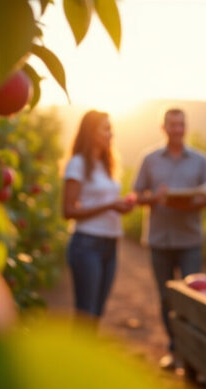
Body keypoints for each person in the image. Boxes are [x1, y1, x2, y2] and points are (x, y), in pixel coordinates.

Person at [133, 108, 206, 369]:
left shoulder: (201, 160)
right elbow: (137, 195)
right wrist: (154, 198)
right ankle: (175, 349)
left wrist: (191, 202)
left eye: (181, 124)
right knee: (165, 298)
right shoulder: (149, 159)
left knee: (192, 299)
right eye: (172, 125)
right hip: (160, 240)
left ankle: (193, 356)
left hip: (190, 240)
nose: (177, 129)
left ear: (185, 127)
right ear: (163, 127)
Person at [62, 110, 135, 319]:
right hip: (87, 244)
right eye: (106, 129)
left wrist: (122, 205)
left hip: (110, 243)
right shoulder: (77, 163)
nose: (111, 134)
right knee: (86, 315)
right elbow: (68, 210)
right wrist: (110, 205)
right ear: (91, 132)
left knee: (97, 313)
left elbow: (105, 203)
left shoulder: (106, 165)